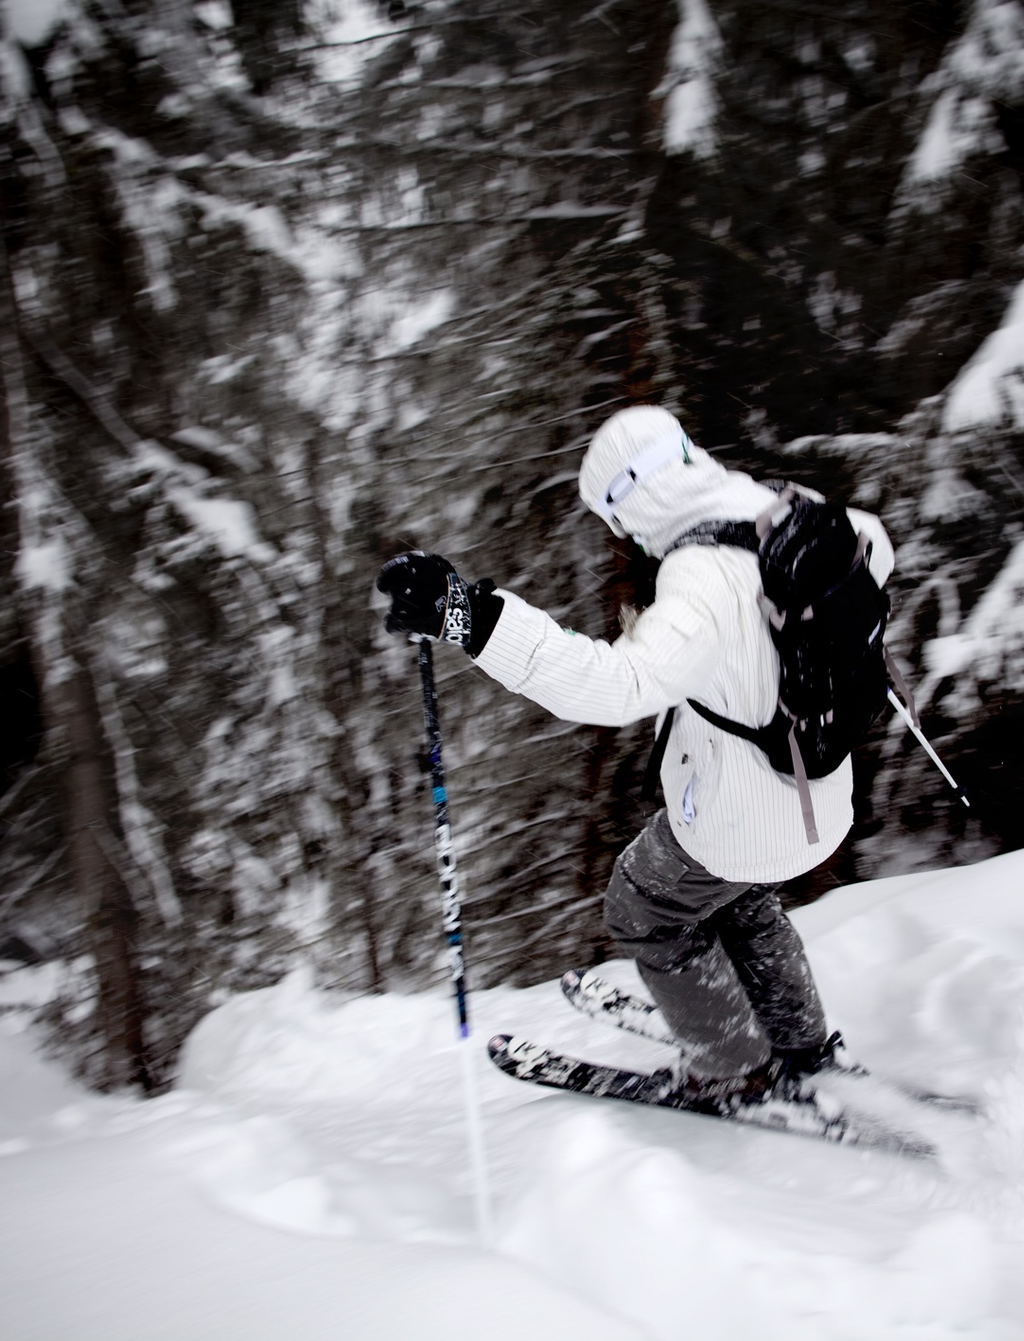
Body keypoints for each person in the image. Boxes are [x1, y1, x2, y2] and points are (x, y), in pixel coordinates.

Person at [376, 406, 893, 1106]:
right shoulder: (817, 519)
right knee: (737, 899)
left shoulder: (700, 579)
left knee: (644, 906)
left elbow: (617, 685)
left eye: (614, 517)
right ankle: (800, 1044)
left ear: (630, 499)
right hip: (821, 796)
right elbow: (879, 552)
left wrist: (463, 614)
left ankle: (733, 1071)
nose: (620, 534)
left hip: (742, 818)